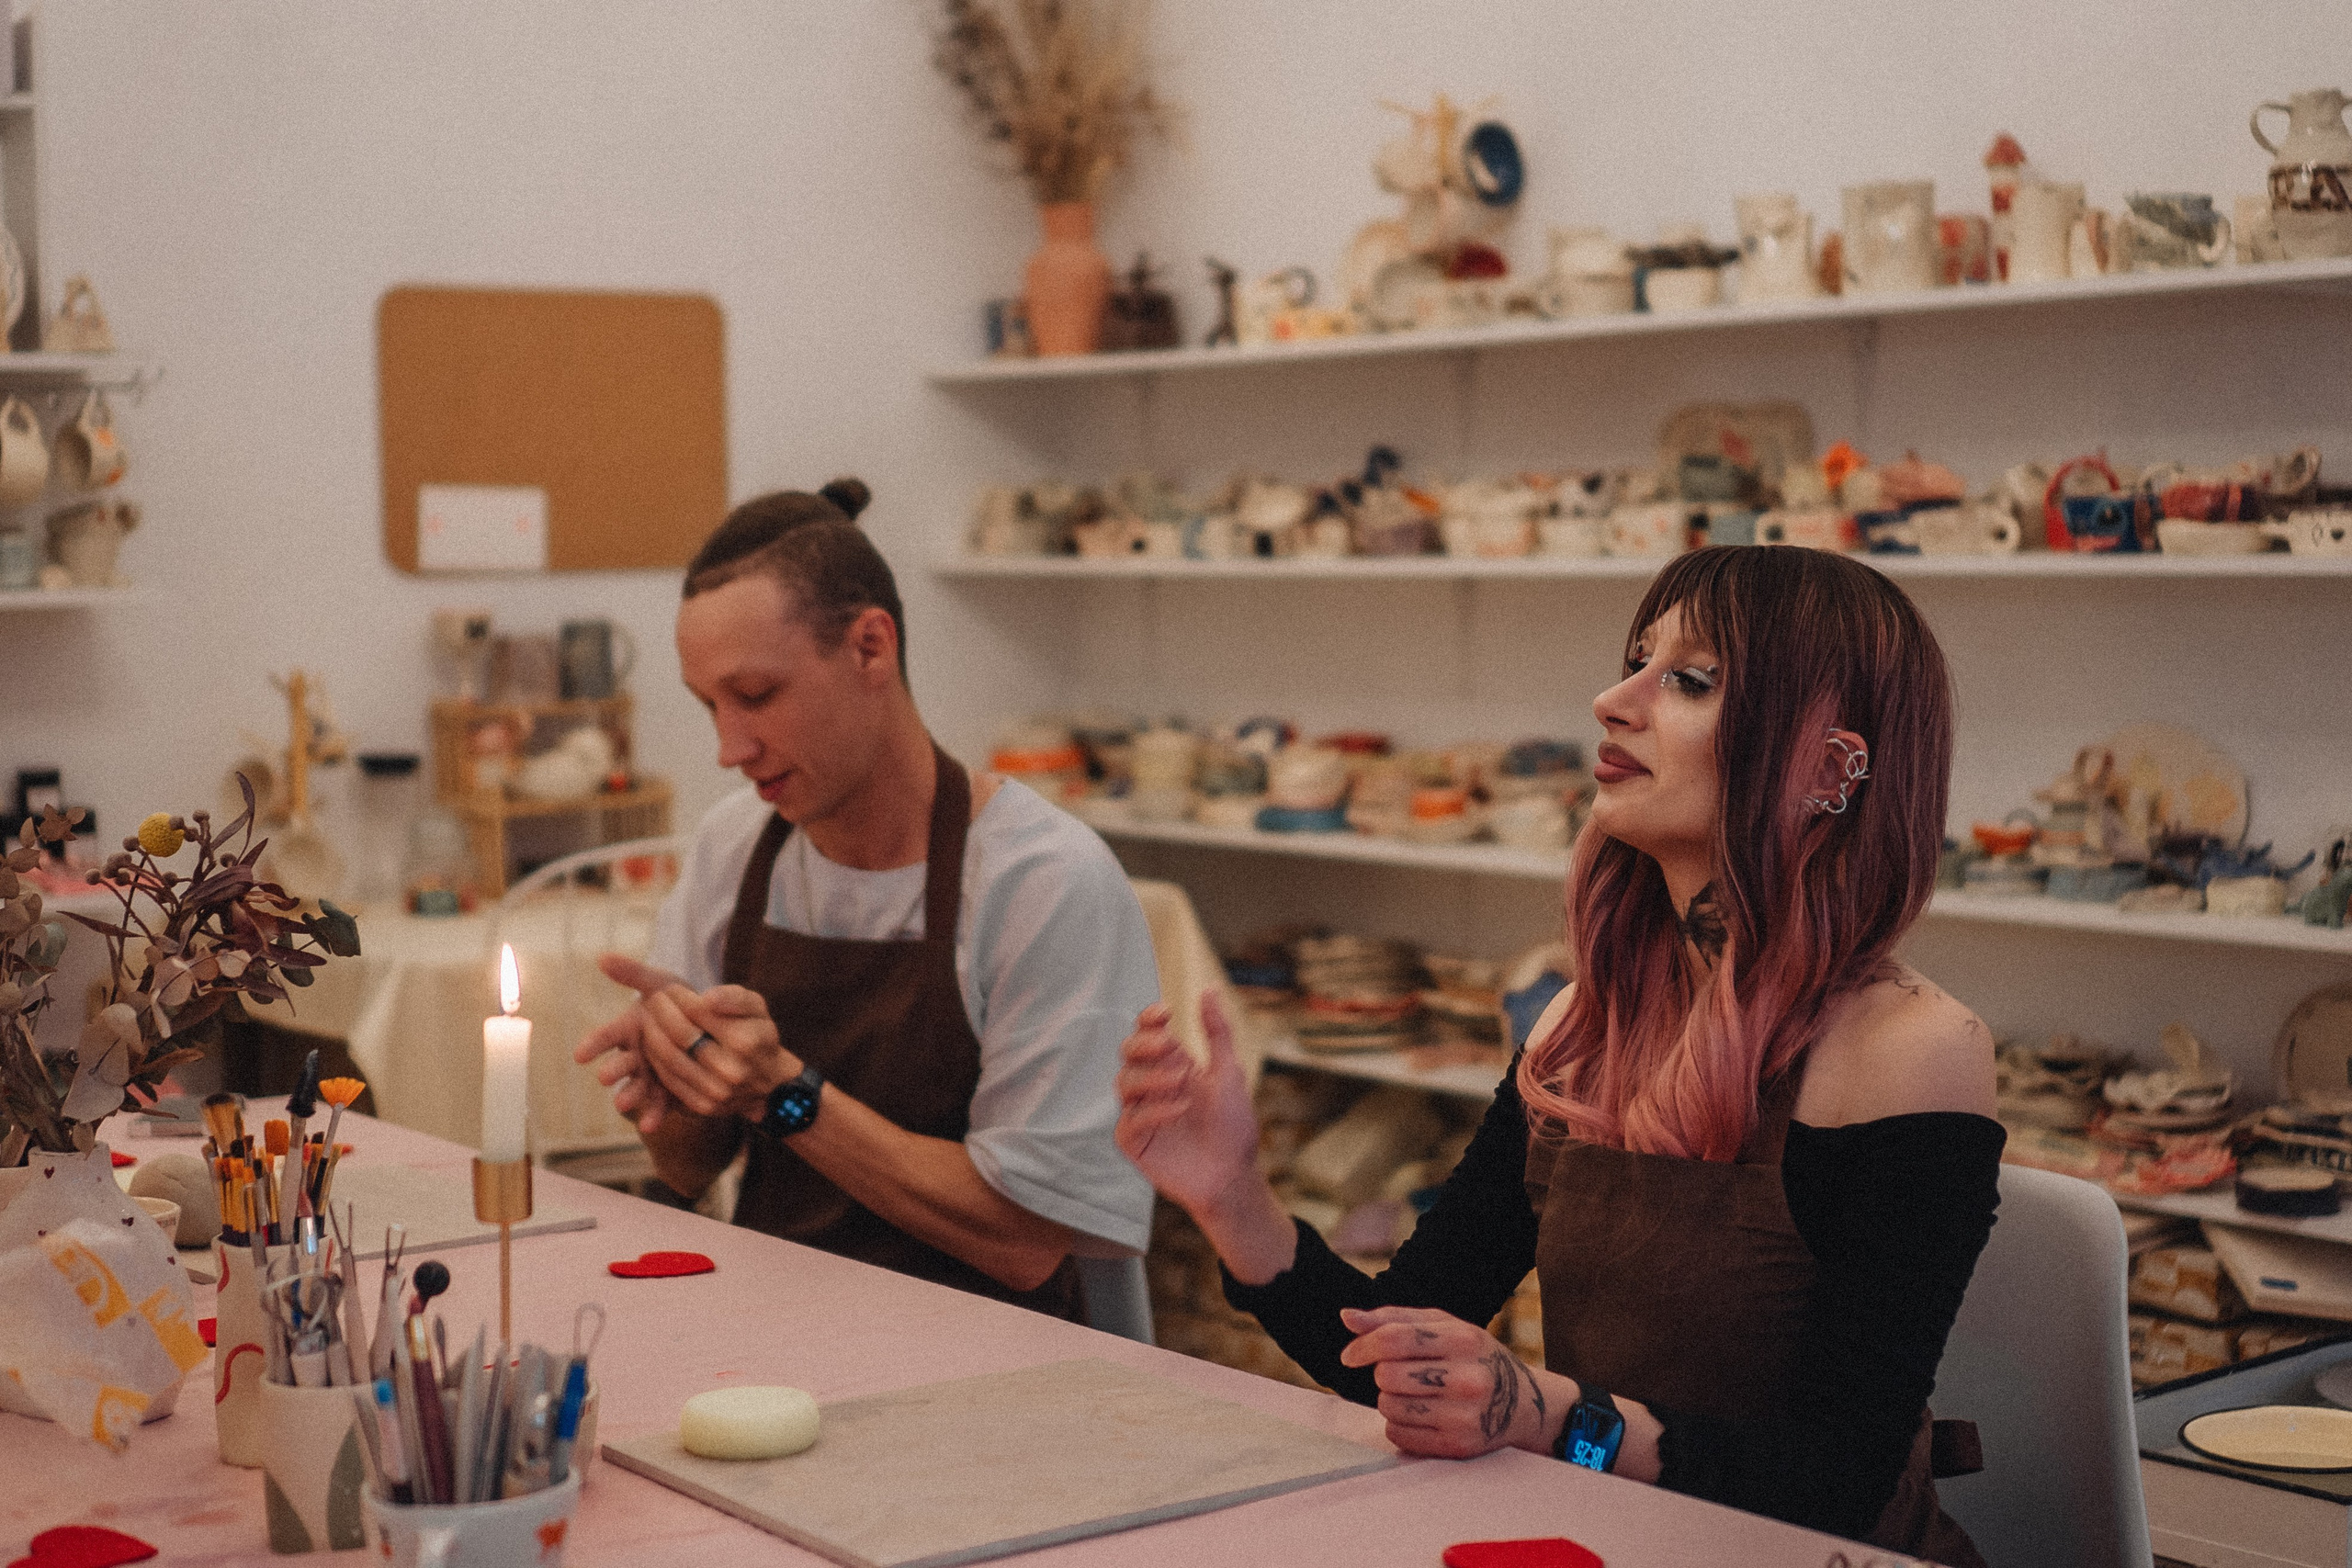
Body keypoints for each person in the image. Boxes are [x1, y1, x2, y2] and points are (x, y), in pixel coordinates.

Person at [1115, 546, 2001, 1565]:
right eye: (1636, 661)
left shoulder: (1910, 1053)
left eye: (1690, 680)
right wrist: (1235, 1202)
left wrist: (1548, 1415)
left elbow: (1832, 1483)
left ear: (1829, 766)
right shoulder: (1583, 1029)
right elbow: (1393, 1354)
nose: (1611, 702)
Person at [576, 479, 1160, 1320]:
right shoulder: (734, 849)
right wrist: (675, 1086)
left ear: (871, 648)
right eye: (709, 706)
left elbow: (1027, 1240)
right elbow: (688, 1168)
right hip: (788, 1327)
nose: (728, 748)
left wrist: (787, 1093)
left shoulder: (1042, 881)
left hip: (1014, 1366)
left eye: (756, 696)